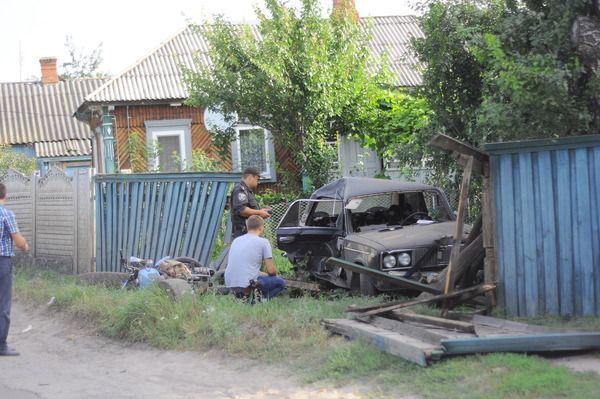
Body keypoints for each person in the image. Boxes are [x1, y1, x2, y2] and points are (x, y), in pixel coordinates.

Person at [225, 215, 285, 300]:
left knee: (260, 277)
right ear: (261, 227)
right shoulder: (263, 242)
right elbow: (271, 271)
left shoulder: (236, 240)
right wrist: (275, 275)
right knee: (280, 282)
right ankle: (259, 300)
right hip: (247, 283)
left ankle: (245, 297)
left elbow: (246, 268)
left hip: (230, 282)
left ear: (247, 226)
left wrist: (265, 275)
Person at [0, 183, 29, 356]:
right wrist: (25, 246)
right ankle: (1, 346)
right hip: (2, 262)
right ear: (5, 195)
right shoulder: (6, 214)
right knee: (3, 304)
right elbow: (17, 240)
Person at [230, 167, 271, 240]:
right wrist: (259, 212)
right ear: (250, 177)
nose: (258, 182)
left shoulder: (247, 191)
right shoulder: (240, 190)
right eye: (257, 179)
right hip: (242, 233)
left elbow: (249, 208)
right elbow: (242, 210)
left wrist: (262, 211)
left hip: (249, 233)